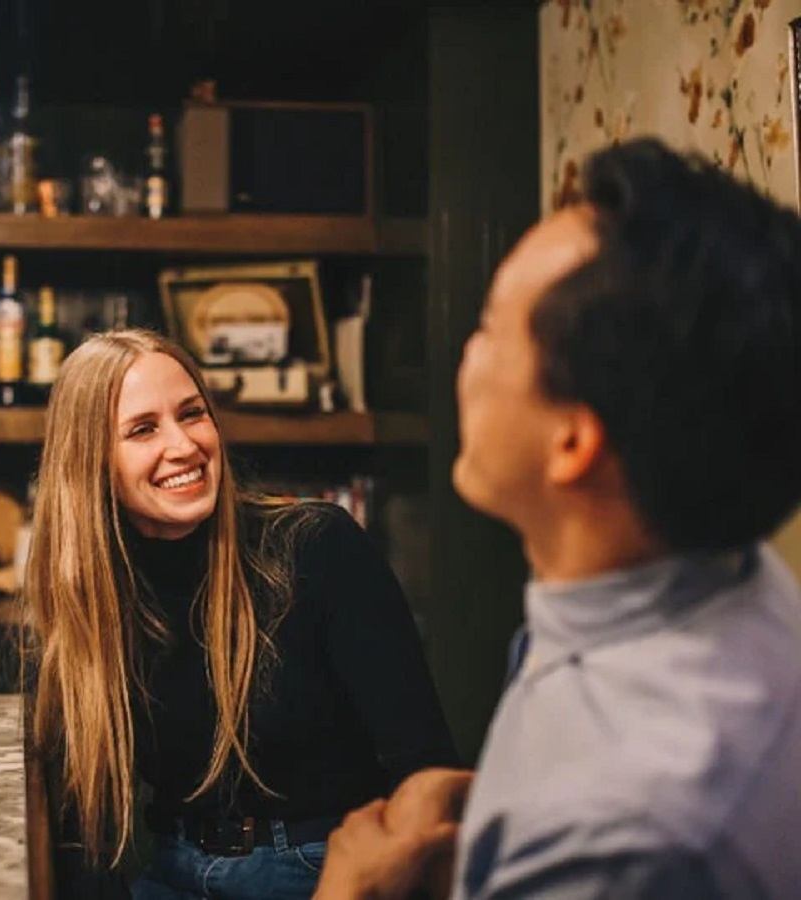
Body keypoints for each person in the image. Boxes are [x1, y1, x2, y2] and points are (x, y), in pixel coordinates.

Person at [315, 137, 801, 899]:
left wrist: (349, 892)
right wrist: (494, 811)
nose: (465, 357)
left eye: (489, 328)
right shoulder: (713, 563)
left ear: (573, 442)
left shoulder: (621, 839)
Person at [22, 329, 458, 899]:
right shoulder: (93, 594)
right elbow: (79, 825)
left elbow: (428, 777)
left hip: (317, 869)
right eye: (143, 429)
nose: (184, 445)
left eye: (192, 414)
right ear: (90, 462)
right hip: (172, 870)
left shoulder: (315, 548)